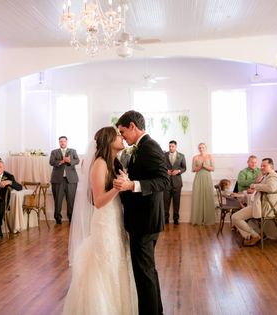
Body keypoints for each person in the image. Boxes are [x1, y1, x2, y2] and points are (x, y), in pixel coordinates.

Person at [63, 126, 138, 315]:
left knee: (117, 262)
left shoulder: (114, 162)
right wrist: (117, 188)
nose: (122, 138)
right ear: (108, 141)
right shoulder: (100, 164)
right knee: (105, 263)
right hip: (104, 220)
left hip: (115, 218)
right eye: (117, 136)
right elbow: (98, 201)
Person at [114, 110, 170, 315]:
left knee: (144, 274)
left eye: (122, 132)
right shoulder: (141, 147)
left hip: (145, 221)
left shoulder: (149, 146)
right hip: (142, 219)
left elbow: (165, 181)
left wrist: (131, 185)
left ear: (132, 126)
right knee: (147, 272)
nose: (122, 137)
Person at [231, 158, 277, 246]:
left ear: (271, 166)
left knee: (236, 217)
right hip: (259, 205)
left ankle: (253, 236)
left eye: (264, 166)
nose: (261, 167)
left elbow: (271, 188)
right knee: (235, 217)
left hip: (264, 207)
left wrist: (255, 185)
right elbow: (264, 187)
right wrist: (255, 188)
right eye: (261, 165)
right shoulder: (267, 176)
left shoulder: (273, 176)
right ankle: (254, 235)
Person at [49, 136, 80, 224]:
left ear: (67, 142)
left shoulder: (73, 151)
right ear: (59, 142)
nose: (62, 143)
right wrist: (62, 161)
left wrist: (70, 161)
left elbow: (77, 160)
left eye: (64, 141)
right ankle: (58, 219)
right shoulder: (54, 152)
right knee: (58, 200)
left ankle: (71, 219)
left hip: (71, 180)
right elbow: (51, 162)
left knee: (71, 200)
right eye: (61, 141)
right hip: (58, 179)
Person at [190, 142, 215, 225]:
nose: (201, 149)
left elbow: (213, 168)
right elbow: (193, 169)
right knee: (198, 197)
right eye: (200, 147)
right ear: (198, 149)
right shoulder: (195, 157)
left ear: (205, 148)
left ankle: (208, 219)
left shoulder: (210, 156)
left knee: (208, 197)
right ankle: (198, 220)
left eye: (203, 147)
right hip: (198, 178)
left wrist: (205, 166)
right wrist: (201, 166)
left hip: (207, 178)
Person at [164, 140, 186, 225]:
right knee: (165, 202)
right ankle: (166, 219)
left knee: (176, 202)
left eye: (172, 146)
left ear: (176, 146)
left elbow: (184, 167)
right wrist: (166, 171)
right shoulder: (164, 155)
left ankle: (176, 219)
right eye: (169, 146)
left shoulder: (181, 156)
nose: (170, 148)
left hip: (177, 183)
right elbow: (160, 166)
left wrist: (178, 171)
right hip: (167, 182)